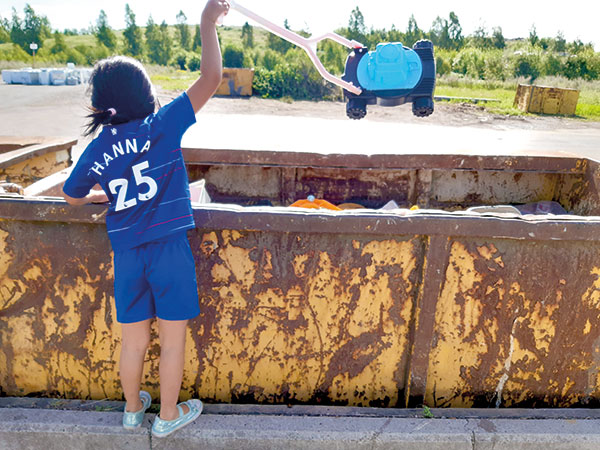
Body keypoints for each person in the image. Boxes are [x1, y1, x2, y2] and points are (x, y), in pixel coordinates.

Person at [62, 0, 230, 438]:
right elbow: (211, 78)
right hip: (170, 250)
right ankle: (168, 417)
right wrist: (207, 20)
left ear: (103, 106)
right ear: (146, 95)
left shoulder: (97, 149)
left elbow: (70, 197)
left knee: (133, 341)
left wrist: (104, 193)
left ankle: (133, 410)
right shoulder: (162, 125)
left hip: (128, 255)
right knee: (172, 341)